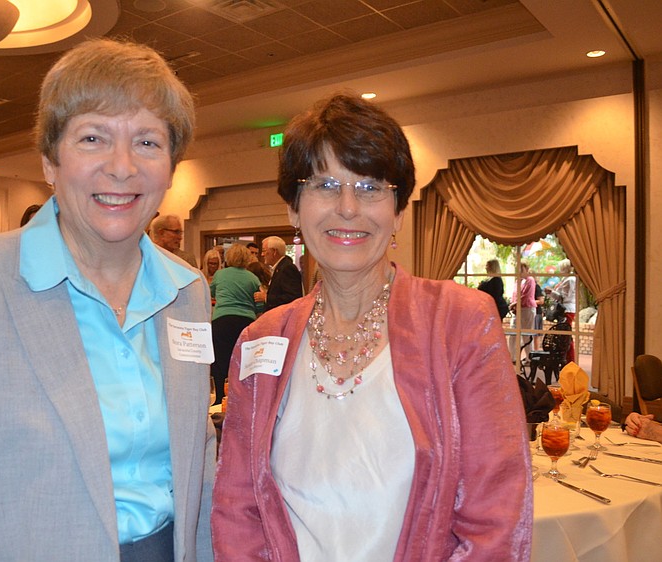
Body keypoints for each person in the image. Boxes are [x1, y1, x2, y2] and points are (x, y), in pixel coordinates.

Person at [0, 38, 214, 562]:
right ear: (51, 161)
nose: (122, 167)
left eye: (147, 142)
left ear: (170, 168)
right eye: (93, 138)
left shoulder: (187, 291)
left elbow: (197, 460)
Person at [211, 93, 531, 560]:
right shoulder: (261, 340)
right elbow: (236, 507)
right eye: (324, 184)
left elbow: (496, 518)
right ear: (294, 209)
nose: (347, 207)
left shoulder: (460, 322)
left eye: (370, 187)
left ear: (398, 211)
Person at [209, 244, 263, 404]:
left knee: (220, 362)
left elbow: (211, 292)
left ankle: (220, 399)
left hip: (222, 321)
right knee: (243, 363)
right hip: (245, 323)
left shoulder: (220, 274)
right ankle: (242, 401)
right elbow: (259, 305)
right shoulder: (253, 278)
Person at [254, 235, 302, 311]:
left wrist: (266, 297)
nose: (262, 254)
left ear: (274, 252)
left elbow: (292, 297)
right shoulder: (280, 268)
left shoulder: (287, 268)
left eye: (264, 251)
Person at [546, 258, 576, 362]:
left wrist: (551, 292)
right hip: (565, 309)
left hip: (567, 310)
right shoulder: (566, 279)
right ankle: (566, 358)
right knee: (564, 336)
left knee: (565, 336)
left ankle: (570, 359)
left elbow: (564, 297)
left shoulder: (570, 280)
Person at [508, 261, 536, 364]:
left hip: (527, 309)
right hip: (517, 310)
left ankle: (530, 358)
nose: (519, 271)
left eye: (521, 269)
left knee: (526, 334)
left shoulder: (530, 280)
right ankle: (513, 357)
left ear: (527, 269)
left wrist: (514, 304)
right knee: (513, 333)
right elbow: (514, 295)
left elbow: (526, 296)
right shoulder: (517, 281)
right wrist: (513, 305)